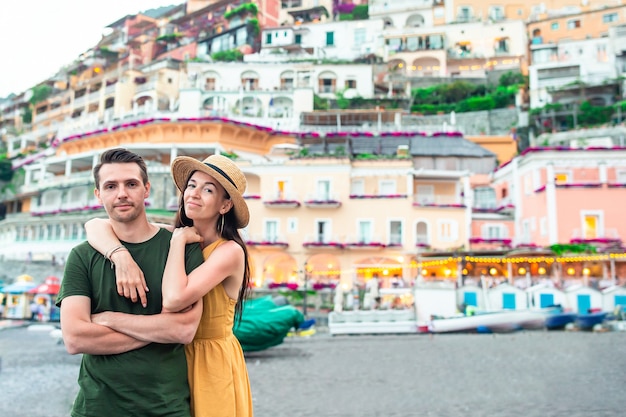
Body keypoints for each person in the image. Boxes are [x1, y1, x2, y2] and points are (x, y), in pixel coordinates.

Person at [86, 154, 254, 416]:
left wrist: (109, 319)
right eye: (192, 185)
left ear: (224, 206)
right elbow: (94, 225)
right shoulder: (180, 237)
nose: (194, 194)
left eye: (208, 190)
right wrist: (120, 257)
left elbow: (175, 299)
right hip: (175, 358)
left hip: (211, 361)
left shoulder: (229, 251)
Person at [56, 148, 205, 417]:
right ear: (98, 194)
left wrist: (109, 319)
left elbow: (183, 331)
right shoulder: (82, 256)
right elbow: (75, 338)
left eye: (131, 184)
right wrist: (159, 329)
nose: (122, 193)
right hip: (97, 408)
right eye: (111, 186)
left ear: (146, 189)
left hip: (166, 408)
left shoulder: (182, 248)